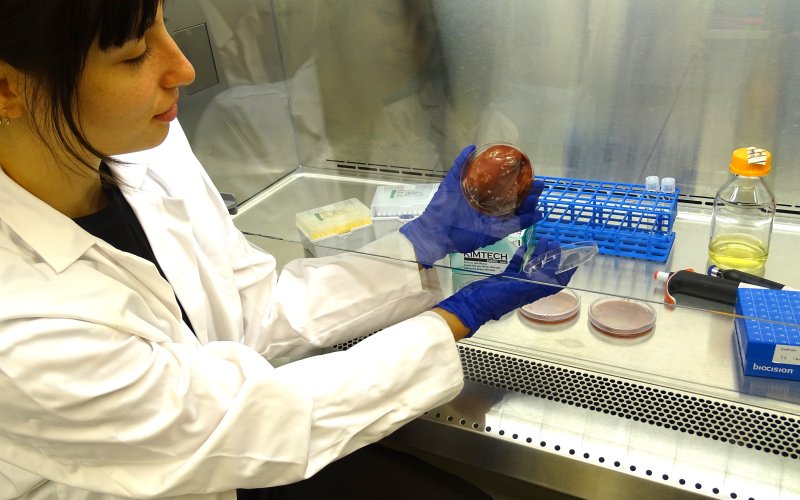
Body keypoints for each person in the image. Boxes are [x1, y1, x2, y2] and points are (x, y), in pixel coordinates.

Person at [0, 1, 573, 499]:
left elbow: (253, 311)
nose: (184, 68)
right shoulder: (18, 326)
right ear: (8, 88)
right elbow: (245, 423)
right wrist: (456, 317)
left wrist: (419, 246)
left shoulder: (149, 149)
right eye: (132, 55)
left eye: (166, 25)